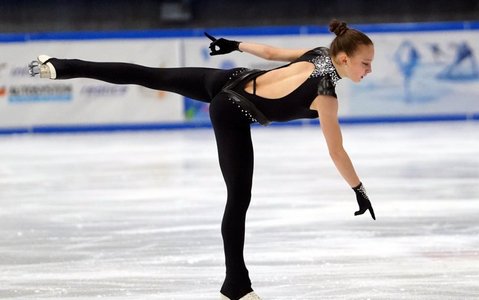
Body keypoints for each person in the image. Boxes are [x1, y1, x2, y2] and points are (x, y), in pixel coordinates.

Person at [28, 19, 376, 300]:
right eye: (365, 63)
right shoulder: (325, 96)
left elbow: (270, 52)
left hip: (230, 77)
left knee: (149, 74)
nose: (369, 70)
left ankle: (61, 66)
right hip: (232, 110)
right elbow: (336, 150)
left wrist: (233, 45)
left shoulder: (318, 54)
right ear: (343, 59)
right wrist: (358, 188)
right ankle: (236, 286)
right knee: (238, 200)